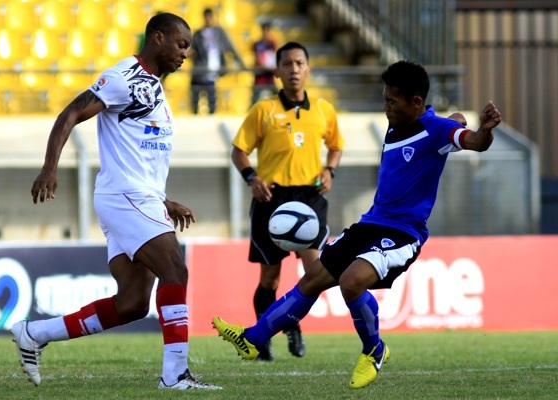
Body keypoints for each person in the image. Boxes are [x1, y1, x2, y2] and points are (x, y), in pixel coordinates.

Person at [214, 60, 501, 388]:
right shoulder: (410, 121)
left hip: (403, 233)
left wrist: (485, 130)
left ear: (416, 102)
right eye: (384, 99)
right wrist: (457, 119)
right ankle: (253, 340)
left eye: (391, 101)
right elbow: (454, 121)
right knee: (312, 280)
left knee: (352, 283)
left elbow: (474, 141)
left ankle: (374, 350)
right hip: (370, 224)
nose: (385, 107)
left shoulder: (435, 130)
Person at [9, 13, 221, 391]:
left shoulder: (154, 88)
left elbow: (135, 154)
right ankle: (175, 375)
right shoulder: (125, 77)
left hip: (138, 197)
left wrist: (163, 200)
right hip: (125, 198)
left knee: (133, 303)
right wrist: (49, 169)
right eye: (181, 44)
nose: (186, 54)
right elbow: (71, 112)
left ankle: (35, 333)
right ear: (158, 38)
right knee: (176, 269)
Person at [230, 41, 344, 361]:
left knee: (315, 274)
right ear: (277, 72)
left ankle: (291, 325)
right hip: (272, 199)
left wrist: (330, 170)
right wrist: (252, 179)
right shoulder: (264, 110)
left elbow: (335, 146)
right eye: (287, 64)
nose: (293, 69)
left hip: (309, 199)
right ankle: (263, 340)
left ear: (308, 69)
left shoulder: (323, 110)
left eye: (299, 63)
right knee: (270, 278)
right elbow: (239, 151)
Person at [189, 7, 245, 114]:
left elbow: (231, 48)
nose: (208, 19)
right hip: (200, 72)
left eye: (210, 17)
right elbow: (191, 51)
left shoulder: (219, 33)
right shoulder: (198, 34)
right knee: (195, 99)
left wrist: (241, 63)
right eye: (206, 17)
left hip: (213, 73)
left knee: (212, 100)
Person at [250, 21, 278, 105]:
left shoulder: (272, 44)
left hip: (269, 75)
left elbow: (273, 57)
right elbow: (256, 59)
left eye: (268, 30)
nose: (266, 32)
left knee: (277, 96)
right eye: (265, 30)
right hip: (260, 75)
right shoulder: (257, 44)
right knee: (255, 97)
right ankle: (251, 113)